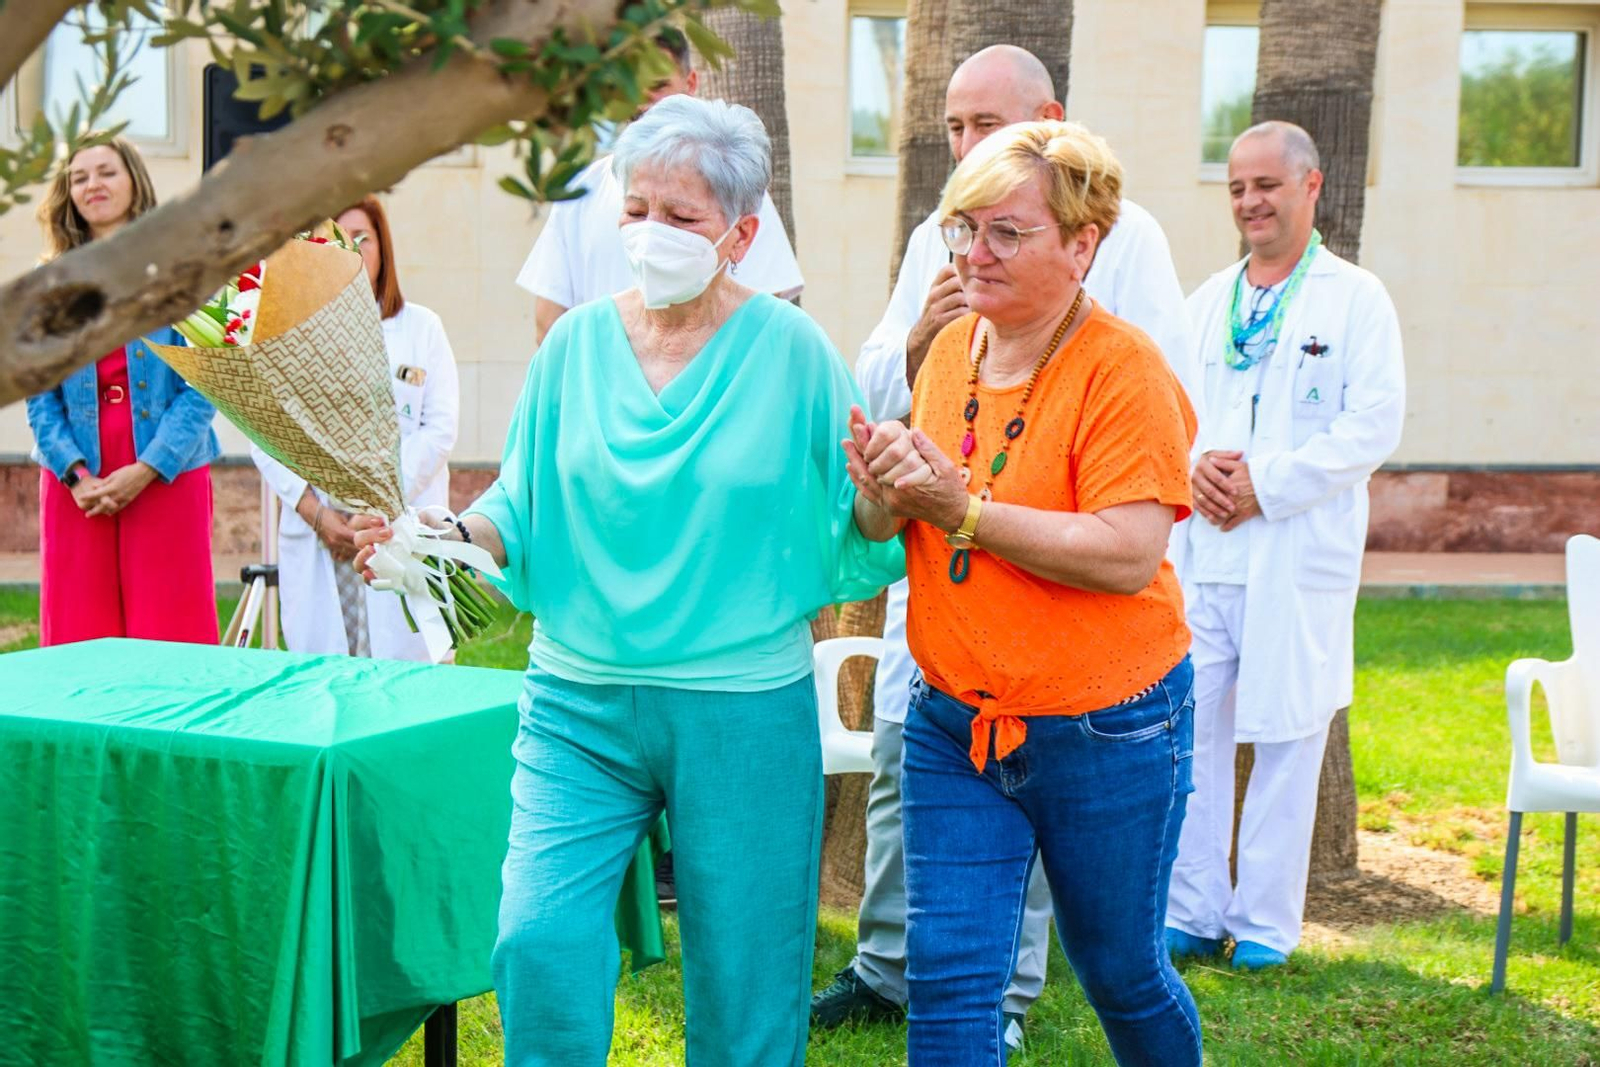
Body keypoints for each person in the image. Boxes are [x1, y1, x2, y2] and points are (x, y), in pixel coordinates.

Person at [354, 95, 902, 1066]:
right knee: (538, 938)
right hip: (578, 701)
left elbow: (854, 526)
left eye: (681, 216)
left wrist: (885, 498)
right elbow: (516, 508)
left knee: (744, 977)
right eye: (637, 206)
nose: (652, 233)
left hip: (739, 709)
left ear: (739, 233)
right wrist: (439, 535)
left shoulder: (794, 354)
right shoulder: (572, 347)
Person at [815, 44, 1195, 1048]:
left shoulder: (1127, 371)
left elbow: (1124, 551)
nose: (970, 256)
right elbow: (896, 529)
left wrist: (957, 505)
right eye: (961, 230)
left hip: (1104, 728)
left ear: (1083, 243)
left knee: (1122, 972)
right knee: (948, 985)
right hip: (955, 721)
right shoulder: (947, 350)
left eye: (1004, 234)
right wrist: (880, 492)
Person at [1165, 121, 1405, 970]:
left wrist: (1266, 483)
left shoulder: (1355, 299)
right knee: (1191, 726)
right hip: (1208, 549)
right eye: (1236, 187)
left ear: (1311, 186)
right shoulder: (1205, 301)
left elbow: (1372, 424)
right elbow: (1171, 412)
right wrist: (1195, 470)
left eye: (1266, 185)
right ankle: (1190, 909)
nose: (1250, 202)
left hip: (1294, 549)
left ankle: (1265, 923)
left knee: (1290, 733)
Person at [25, 135, 220, 647]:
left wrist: (150, 466)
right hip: (76, 480)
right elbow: (38, 392)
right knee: (78, 633)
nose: (93, 185)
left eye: (106, 172)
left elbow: (208, 381)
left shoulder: (184, 269)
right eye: (80, 177)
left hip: (167, 469)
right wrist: (74, 472)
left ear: (135, 181)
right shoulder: (51, 285)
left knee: (170, 627)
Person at [252, 195, 460, 660]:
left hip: (399, 524)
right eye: (334, 240)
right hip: (323, 532)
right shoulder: (289, 331)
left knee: (408, 679)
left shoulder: (422, 328)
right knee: (326, 676)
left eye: (362, 238)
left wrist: (381, 500)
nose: (350, 249)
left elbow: (439, 428)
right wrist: (318, 514)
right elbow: (265, 433)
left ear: (383, 249)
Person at [517, 28, 803, 346]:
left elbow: (765, 322)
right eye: (636, 211)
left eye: (682, 217)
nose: (642, 101)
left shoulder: (735, 188)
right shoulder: (581, 191)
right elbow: (549, 326)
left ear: (690, 83)